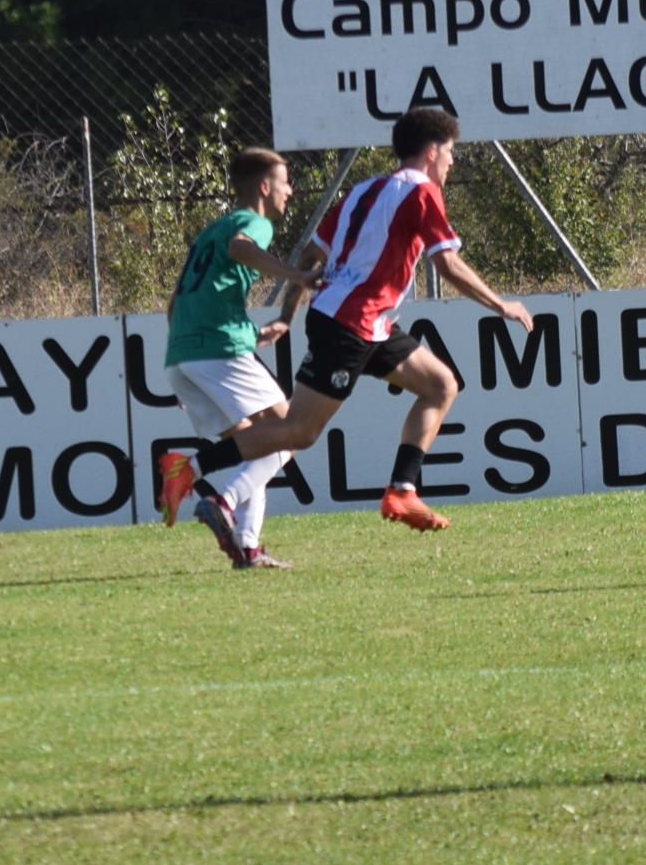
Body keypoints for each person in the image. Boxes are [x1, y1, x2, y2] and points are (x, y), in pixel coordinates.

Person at [157, 107, 527, 537]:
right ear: (430, 151)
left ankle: (402, 490)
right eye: (449, 151)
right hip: (351, 323)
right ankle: (191, 468)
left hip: (367, 322)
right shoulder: (423, 192)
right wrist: (501, 304)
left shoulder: (363, 190)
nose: (452, 160)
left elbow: (311, 256)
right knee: (298, 431)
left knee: (441, 385)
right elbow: (445, 263)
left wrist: (286, 315)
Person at [162, 147, 324, 568]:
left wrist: (192, 362)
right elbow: (241, 248)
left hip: (182, 356)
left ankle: (247, 547)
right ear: (265, 186)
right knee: (292, 430)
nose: (290, 191)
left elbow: (175, 302)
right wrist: (297, 275)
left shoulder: (208, 232)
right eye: (286, 182)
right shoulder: (251, 222)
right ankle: (218, 496)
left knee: (258, 446)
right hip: (218, 351)